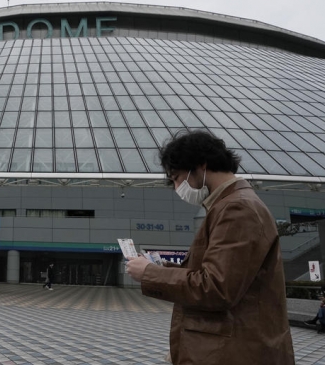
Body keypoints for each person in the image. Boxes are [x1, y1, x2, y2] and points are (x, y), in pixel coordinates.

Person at [125, 130, 294, 364]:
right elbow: (219, 275)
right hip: (231, 346)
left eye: (176, 178)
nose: (177, 187)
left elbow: (216, 288)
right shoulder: (229, 205)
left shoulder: (238, 209)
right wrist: (159, 268)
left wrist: (150, 274)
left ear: (200, 166)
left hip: (235, 350)